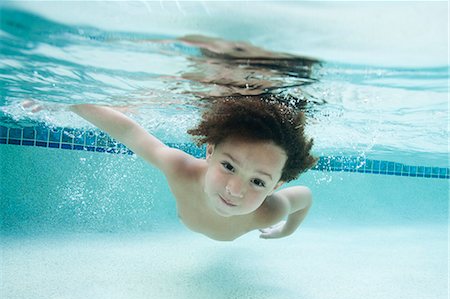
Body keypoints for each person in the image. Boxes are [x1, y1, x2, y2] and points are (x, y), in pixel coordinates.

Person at [24, 95, 317, 241]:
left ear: (276, 185)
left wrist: (285, 231)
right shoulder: (180, 168)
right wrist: (68, 103)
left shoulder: (272, 210)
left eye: (258, 182)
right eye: (228, 166)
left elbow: (304, 197)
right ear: (209, 151)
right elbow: (129, 132)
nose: (234, 189)